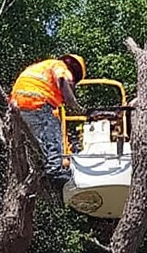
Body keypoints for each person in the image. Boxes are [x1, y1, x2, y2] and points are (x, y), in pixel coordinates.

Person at [9, 55, 87, 187]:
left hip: (18, 105)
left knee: (42, 140)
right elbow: (62, 80)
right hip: (36, 102)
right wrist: (75, 105)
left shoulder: (41, 66)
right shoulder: (60, 66)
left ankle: (44, 167)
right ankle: (55, 171)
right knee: (53, 131)